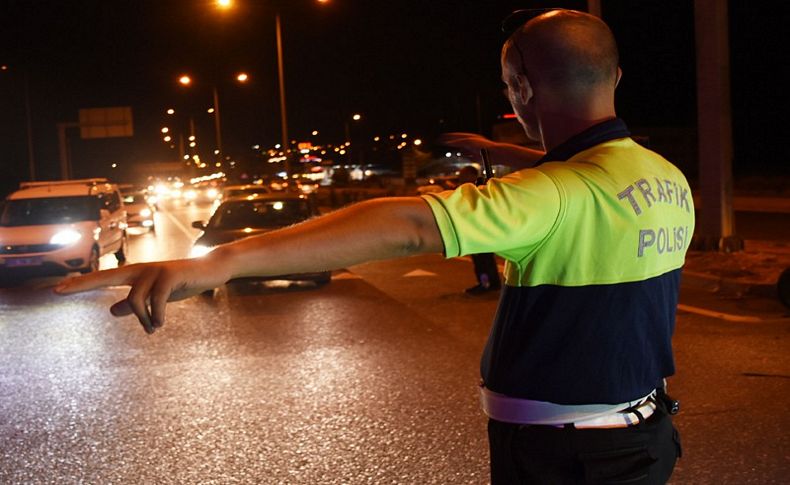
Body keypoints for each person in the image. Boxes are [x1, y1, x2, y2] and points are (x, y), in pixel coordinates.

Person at [56, 9, 692, 484]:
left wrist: (221, 261)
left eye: (508, 86)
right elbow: (589, 181)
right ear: (614, 75)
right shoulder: (664, 178)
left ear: (522, 88)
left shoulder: (550, 195)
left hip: (570, 458)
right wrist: (505, 153)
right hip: (643, 437)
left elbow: (409, 223)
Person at [455, 165, 502, 295]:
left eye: (464, 174)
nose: (461, 177)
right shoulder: (477, 188)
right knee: (485, 260)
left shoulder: (477, 189)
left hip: (480, 230)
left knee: (482, 261)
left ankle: (486, 284)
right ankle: (492, 283)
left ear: (471, 175)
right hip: (481, 229)